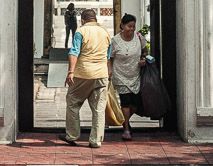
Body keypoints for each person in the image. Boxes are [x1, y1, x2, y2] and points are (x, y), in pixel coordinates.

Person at [63, 8, 112, 148]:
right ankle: (96, 140)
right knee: (98, 109)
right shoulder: (105, 32)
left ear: (82, 20)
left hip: (83, 74)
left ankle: (72, 135)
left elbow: (74, 52)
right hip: (101, 74)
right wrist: (109, 71)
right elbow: (108, 56)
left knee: (73, 102)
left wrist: (70, 72)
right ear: (95, 19)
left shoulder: (81, 31)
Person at [110, 14, 149, 141]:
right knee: (125, 102)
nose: (131, 29)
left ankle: (123, 120)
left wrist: (143, 59)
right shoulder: (115, 40)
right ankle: (126, 128)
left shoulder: (139, 37)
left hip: (135, 75)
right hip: (120, 75)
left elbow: (144, 50)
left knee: (135, 105)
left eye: (133, 26)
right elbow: (109, 57)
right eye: (129, 26)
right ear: (122, 25)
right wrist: (109, 70)